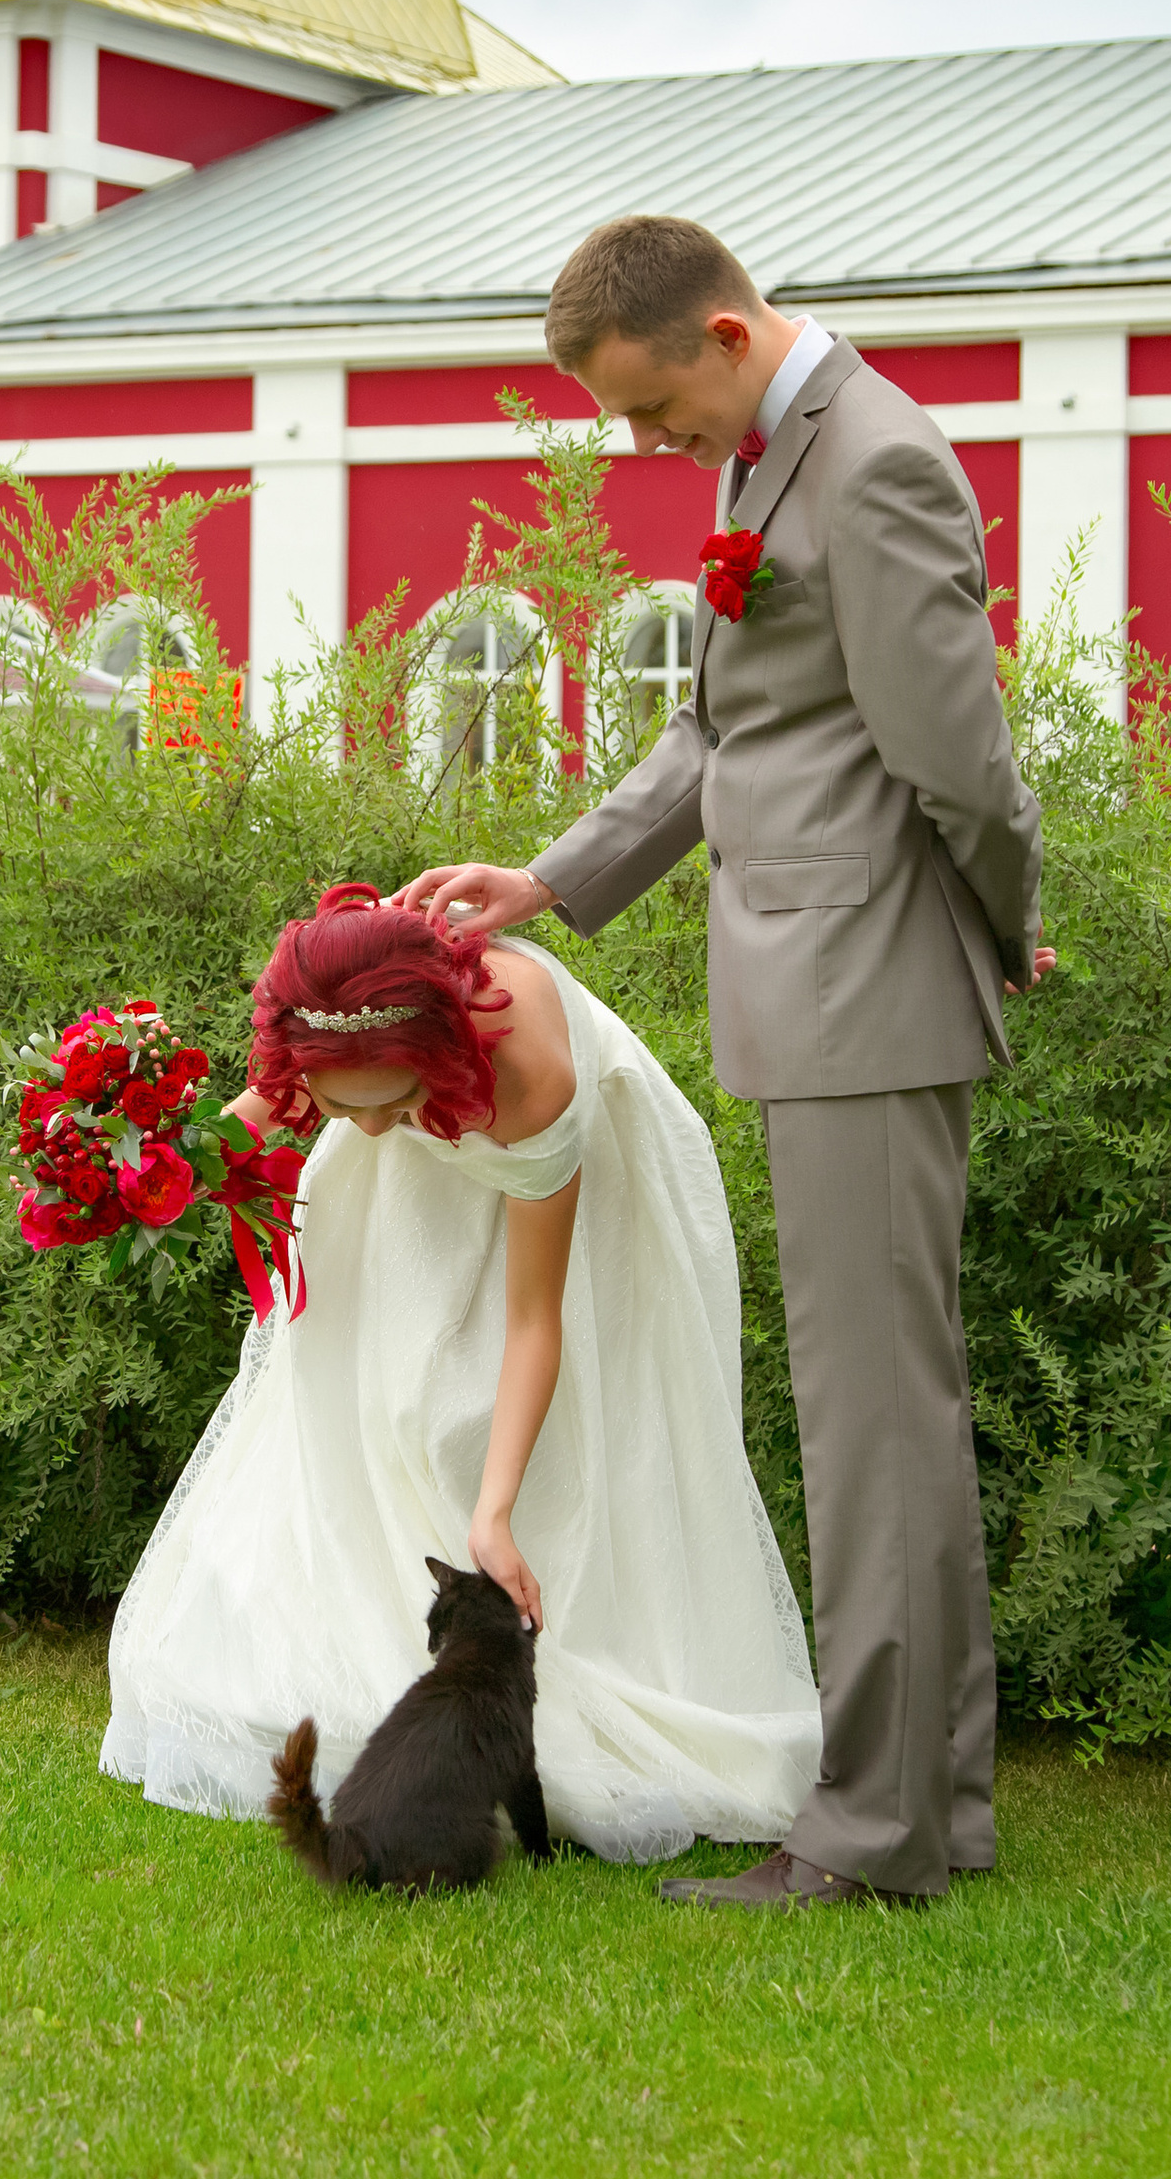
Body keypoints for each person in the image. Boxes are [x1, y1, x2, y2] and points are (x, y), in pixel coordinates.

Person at [401, 215, 1049, 1913]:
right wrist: (547, 878)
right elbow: (725, 727)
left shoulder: (878, 463)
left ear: (726, 333)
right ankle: (940, 1808)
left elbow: (963, 769)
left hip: (868, 991)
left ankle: (875, 1836)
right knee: (890, 1415)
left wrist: (998, 927)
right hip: (835, 992)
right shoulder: (773, 461)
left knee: (872, 1428)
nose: (641, 449)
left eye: (648, 409)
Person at [99, 882, 822, 1866]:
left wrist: (494, 1513)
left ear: (431, 1058)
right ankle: (382, 1681)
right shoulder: (341, 1037)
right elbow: (235, 1138)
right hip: (407, 1195)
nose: (367, 1127)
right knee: (387, 1402)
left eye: (389, 1104)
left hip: (562, 1201)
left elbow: (535, 1319)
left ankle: (585, 1669)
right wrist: (120, 1164)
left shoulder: (530, 1077)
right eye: (340, 1110)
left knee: (494, 1423)